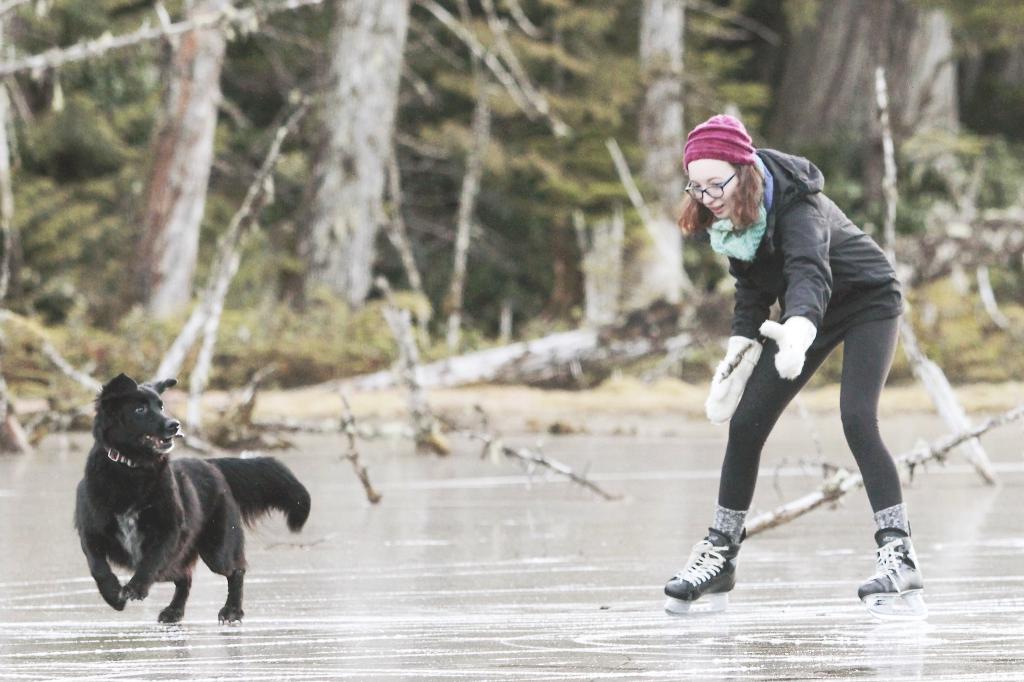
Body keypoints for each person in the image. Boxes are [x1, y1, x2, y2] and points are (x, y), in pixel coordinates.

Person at [663, 114, 926, 620]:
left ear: (744, 171)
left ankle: (900, 554)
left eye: (715, 184)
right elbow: (753, 288)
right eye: (695, 187)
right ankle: (721, 552)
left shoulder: (797, 203)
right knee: (745, 423)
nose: (706, 197)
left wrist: (800, 328)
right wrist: (738, 354)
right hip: (810, 311)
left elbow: (809, 271)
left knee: (856, 418)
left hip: (867, 299)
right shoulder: (732, 216)